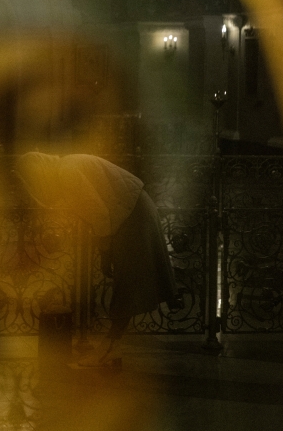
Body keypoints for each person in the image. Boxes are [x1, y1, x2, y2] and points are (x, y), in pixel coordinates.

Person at [15, 152, 178, 366]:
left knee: (127, 286)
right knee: (127, 286)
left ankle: (110, 347)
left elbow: (100, 216)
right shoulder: (67, 167)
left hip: (132, 216)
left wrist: (104, 253)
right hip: (133, 212)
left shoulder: (68, 173)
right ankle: (112, 346)